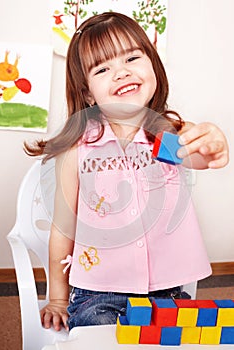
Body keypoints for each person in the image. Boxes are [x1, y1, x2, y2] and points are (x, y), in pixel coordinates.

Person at [24, 12, 229, 332]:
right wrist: (58, 299)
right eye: (103, 68)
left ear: (152, 66)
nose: (121, 72)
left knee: (186, 335)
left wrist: (214, 140)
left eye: (132, 57)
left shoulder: (166, 133)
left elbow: (200, 155)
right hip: (100, 293)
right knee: (101, 330)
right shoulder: (77, 150)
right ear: (89, 92)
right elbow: (63, 230)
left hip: (169, 289)